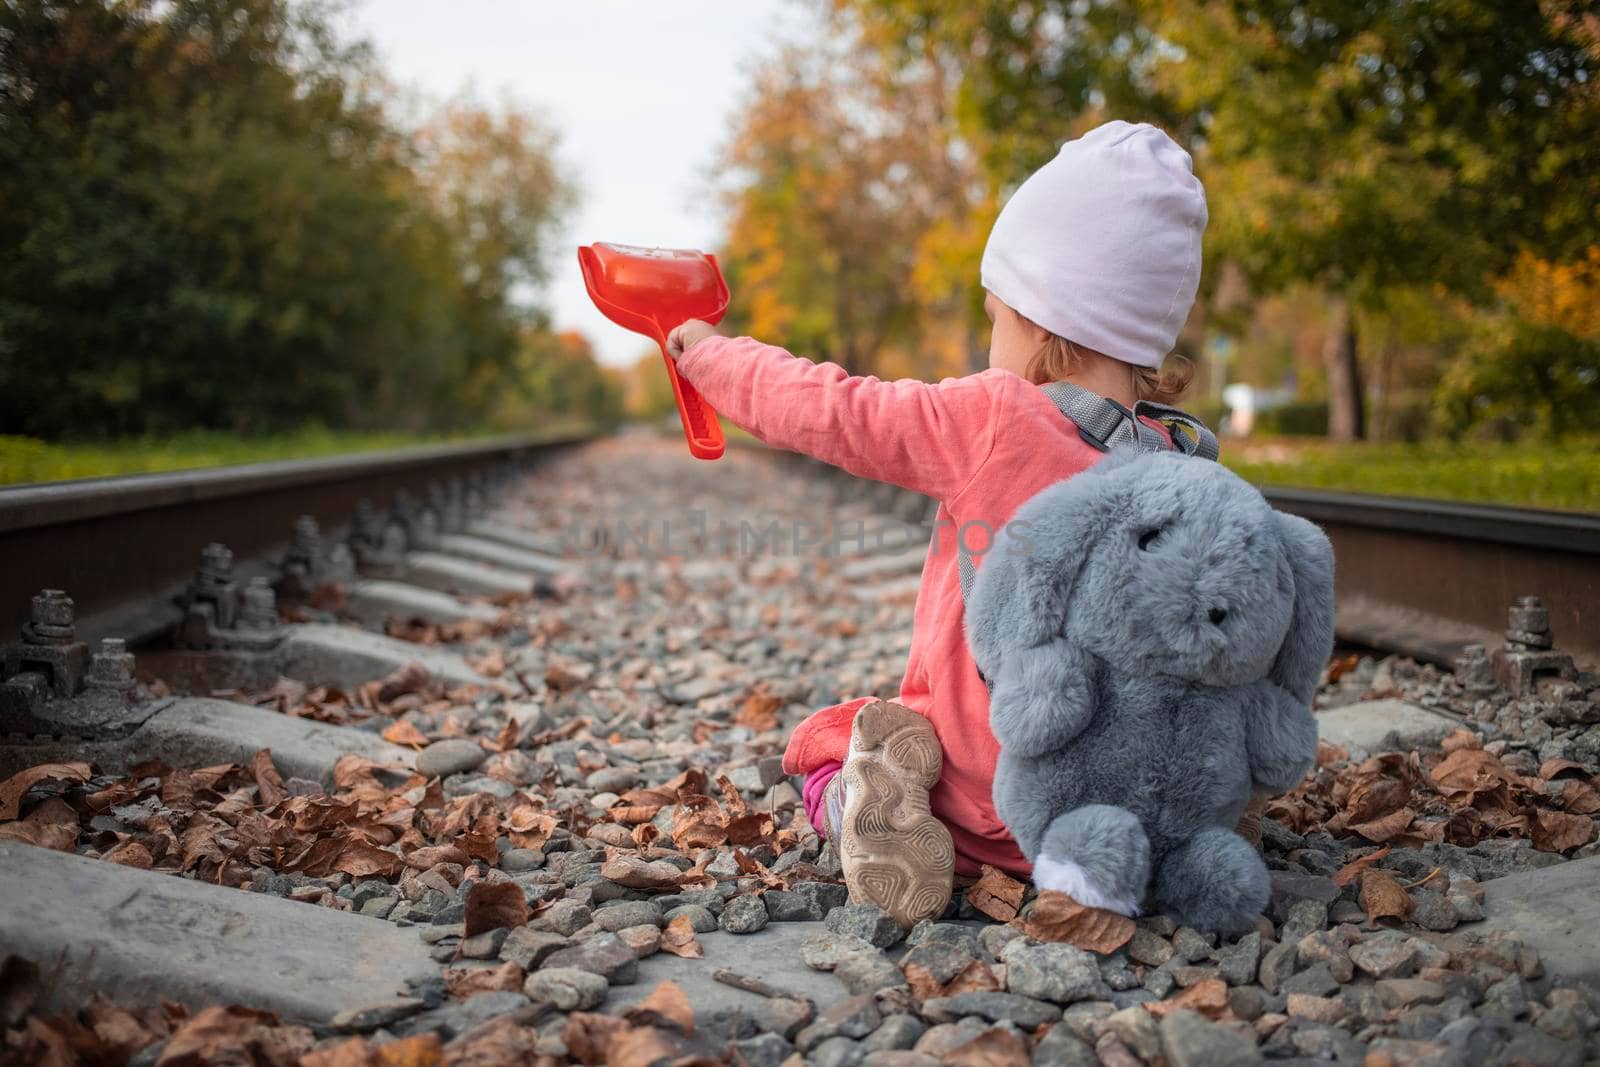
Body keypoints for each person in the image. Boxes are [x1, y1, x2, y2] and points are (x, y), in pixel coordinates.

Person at [665, 120, 1215, 927]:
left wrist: (708, 355)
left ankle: (868, 798)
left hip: (983, 792)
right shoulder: (1186, 461)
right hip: (1119, 808)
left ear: (1038, 325)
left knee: (830, 740)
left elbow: (832, 408)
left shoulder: (993, 418)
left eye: (996, 313)